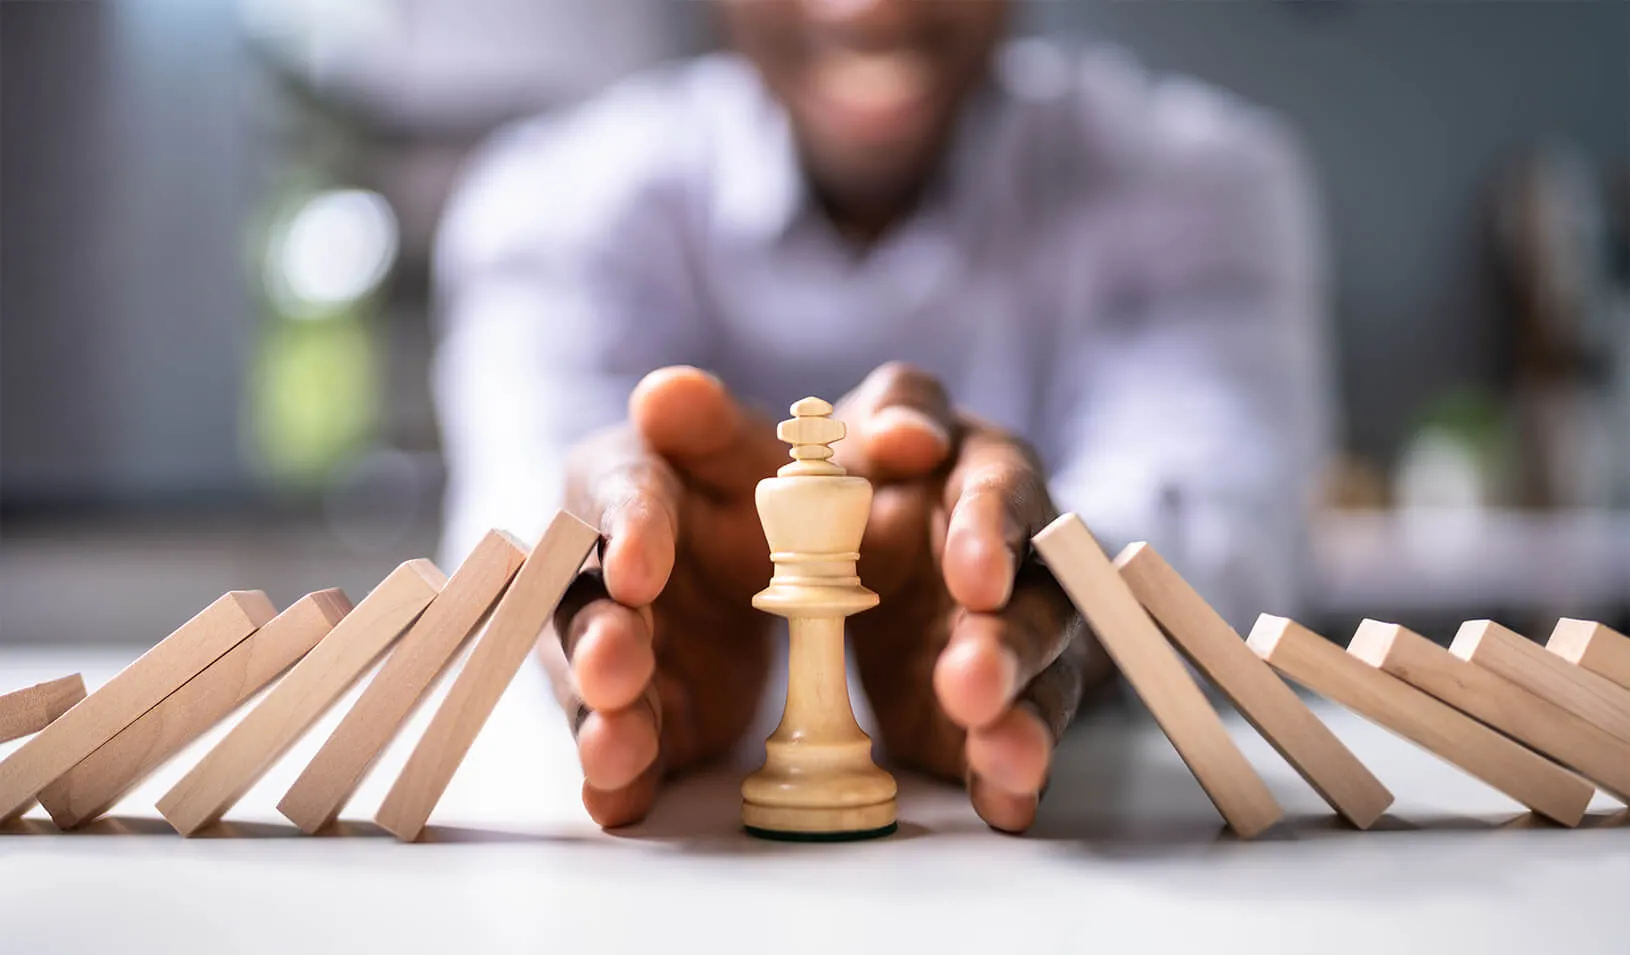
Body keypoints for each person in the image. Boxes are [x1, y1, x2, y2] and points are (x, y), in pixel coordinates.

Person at [430, 0, 1335, 835]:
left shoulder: (1202, 177)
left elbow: (1226, 536)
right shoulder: (551, 195)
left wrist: (1048, 606)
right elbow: (511, 538)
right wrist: (601, 586)